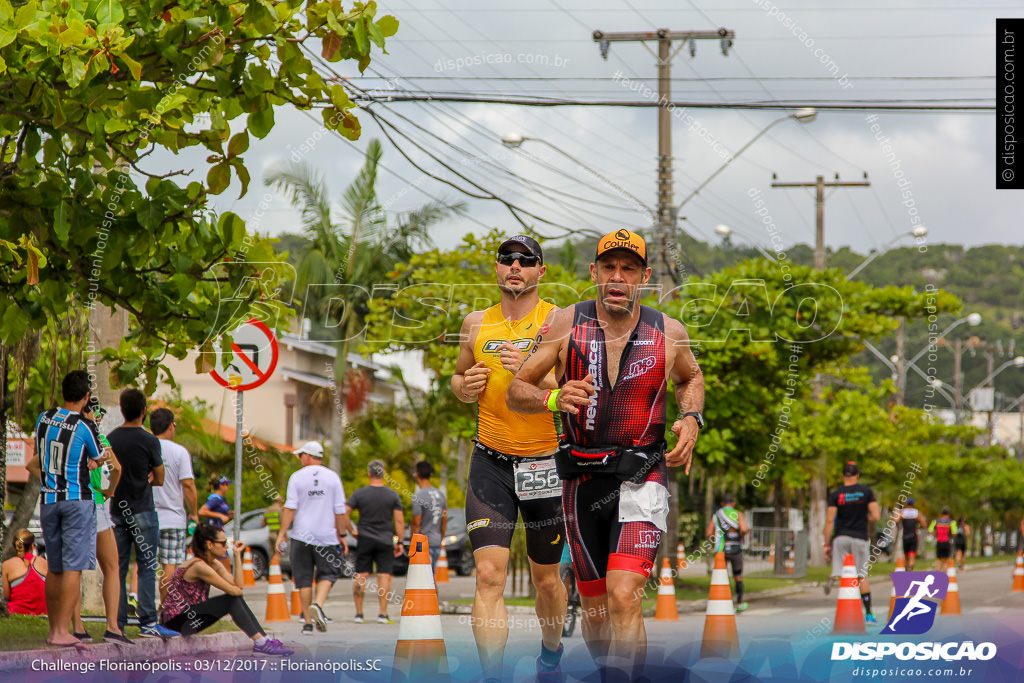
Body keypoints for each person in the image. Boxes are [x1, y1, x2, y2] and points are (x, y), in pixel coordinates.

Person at [506, 229, 705, 681]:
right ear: (593, 272)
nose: (618, 276)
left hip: (642, 474)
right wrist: (552, 400)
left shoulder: (669, 331)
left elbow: (690, 378)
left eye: (629, 268)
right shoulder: (563, 325)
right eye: (609, 267)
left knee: (623, 595)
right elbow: (518, 388)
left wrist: (691, 418)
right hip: (580, 479)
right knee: (595, 609)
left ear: (645, 277)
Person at [450, 235, 568, 683]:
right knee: (488, 574)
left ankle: (551, 655)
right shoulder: (476, 323)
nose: (515, 266)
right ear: (497, 269)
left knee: (546, 581)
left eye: (526, 260)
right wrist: (464, 387)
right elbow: (459, 377)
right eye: (507, 259)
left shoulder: (557, 322)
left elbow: (579, 387)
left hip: (545, 464)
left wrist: (537, 370)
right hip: (491, 463)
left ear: (541, 271)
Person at [29, 370, 103, 647]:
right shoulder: (84, 427)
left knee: (56, 567)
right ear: (86, 397)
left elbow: (41, 454)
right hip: (76, 501)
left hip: (48, 501)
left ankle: (53, 630)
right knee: (73, 568)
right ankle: (62, 630)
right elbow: (97, 457)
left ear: (63, 392)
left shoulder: (44, 418)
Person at [107, 388, 179, 639]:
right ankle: (148, 622)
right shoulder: (150, 440)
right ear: (144, 411)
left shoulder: (111, 438)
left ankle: (116, 622)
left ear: (121, 409)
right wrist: (148, 475)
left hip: (117, 511)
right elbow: (159, 478)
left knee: (118, 568)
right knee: (148, 566)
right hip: (144, 511)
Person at [161, 524, 294, 656]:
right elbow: (235, 591)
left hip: (189, 617)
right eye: (223, 543)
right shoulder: (198, 566)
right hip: (176, 622)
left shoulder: (213, 563)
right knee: (231, 600)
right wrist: (236, 591)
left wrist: (237, 555)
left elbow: (238, 585)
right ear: (210, 545)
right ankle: (261, 642)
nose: (226, 546)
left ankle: (264, 640)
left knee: (234, 599)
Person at [70, 399, 133, 645]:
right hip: (95, 501)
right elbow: (116, 468)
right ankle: (113, 627)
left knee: (73, 567)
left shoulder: (69, 435)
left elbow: (34, 466)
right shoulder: (99, 440)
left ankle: (77, 627)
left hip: (71, 501)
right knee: (112, 567)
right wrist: (110, 491)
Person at [276, 441, 349, 636]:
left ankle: (307, 623)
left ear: (307, 456)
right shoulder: (333, 478)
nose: (300, 459)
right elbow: (340, 510)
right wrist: (342, 535)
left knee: (304, 579)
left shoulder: (296, 477)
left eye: (301, 456)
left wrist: (282, 533)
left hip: (301, 536)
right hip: (326, 537)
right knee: (329, 573)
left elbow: (290, 507)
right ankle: (318, 604)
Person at [346, 459, 404, 625]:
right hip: (385, 540)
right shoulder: (392, 495)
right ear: (383, 474)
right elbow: (399, 521)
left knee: (361, 575)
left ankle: (358, 614)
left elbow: (344, 513)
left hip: (364, 538)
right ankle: (383, 614)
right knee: (383, 576)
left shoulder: (359, 494)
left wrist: (351, 530)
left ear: (369, 473)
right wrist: (399, 541)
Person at [150, 408, 198, 602]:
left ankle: (141, 606)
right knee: (169, 564)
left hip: (146, 516)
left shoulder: (145, 447)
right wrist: (194, 513)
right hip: (173, 518)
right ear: (171, 426)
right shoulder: (179, 452)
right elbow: (188, 484)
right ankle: (166, 609)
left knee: (145, 565)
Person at [823, 461, 881, 624]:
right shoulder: (866, 492)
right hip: (859, 537)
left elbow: (829, 520)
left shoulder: (836, 494)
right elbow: (876, 516)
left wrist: (826, 544)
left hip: (841, 537)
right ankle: (868, 613)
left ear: (843, 476)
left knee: (845, 574)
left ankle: (834, 576)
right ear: (857, 475)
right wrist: (865, 518)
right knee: (861, 576)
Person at [706, 493, 749, 612]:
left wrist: (718, 536)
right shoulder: (738, 514)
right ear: (733, 503)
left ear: (722, 503)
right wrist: (742, 535)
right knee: (738, 577)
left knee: (720, 577)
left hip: (721, 550)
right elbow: (744, 529)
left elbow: (709, 533)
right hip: (736, 550)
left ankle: (720, 603)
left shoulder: (716, 515)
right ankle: (739, 603)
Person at [410, 461, 448, 573]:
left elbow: (416, 523)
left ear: (416, 474)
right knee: (431, 577)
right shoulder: (440, 495)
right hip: (436, 541)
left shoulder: (418, 496)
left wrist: (413, 544)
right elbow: (444, 518)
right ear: (431, 475)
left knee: (424, 580)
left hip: (422, 544)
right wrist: (440, 538)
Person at [2, 530, 47, 616]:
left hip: (17, 610)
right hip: (43, 610)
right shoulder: (43, 563)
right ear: (33, 546)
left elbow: (6, 595)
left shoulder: (7, 565)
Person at [200, 475, 233, 571]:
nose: (227, 487)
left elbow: (216, 512)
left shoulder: (221, 499)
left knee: (221, 569)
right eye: (226, 485)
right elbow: (202, 511)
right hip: (214, 537)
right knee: (226, 569)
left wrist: (227, 514)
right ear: (221, 485)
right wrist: (220, 516)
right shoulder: (215, 499)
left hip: (219, 535)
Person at [898, 497, 926, 571]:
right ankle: (910, 567)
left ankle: (907, 568)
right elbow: (924, 524)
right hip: (914, 536)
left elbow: (895, 520)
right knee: (912, 554)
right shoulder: (917, 513)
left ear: (906, 503)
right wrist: (919, 525)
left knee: (906, 555)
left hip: (905, 536)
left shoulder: (902, 512)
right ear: (913, 504)